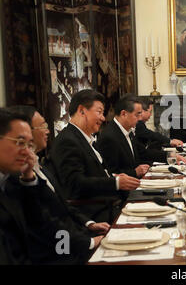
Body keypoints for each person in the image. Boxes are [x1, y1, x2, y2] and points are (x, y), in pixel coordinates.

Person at [8, 105, 109, 263]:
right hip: (59, 251)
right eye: (42, 126)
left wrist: (88, 223)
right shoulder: (14, 178)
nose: (47, 131)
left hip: (71, 239)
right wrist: (87, 243)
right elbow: (43, 226)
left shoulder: (37, 168)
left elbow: (62, 205)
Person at [0, 109, 84, 264]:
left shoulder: (31, 172)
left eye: (28, 144)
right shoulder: (11, 181)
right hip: (55, 249)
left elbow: (45, 217)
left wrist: (28, 178)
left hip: (65, 242)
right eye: (20, 142)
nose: (26, 151)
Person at [48, 89, 140, 223]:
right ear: (81, 111)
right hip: (94, 214)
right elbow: (75, 184)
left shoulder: (86, 138)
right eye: (99, 112)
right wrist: (115, 183)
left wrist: (114, 177)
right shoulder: (67, 141)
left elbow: (94, 173)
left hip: (108, 206)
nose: (103, 118)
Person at [96, 94, 150, 178]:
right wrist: (135, 172)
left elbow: (143, 153)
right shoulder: (109, 137)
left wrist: (169, 155)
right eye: (137, 114)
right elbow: (111, 173)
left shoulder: (128, 131)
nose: (139, 119)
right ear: (124, 113)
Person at [135, 97, 186, 165]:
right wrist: (170, 142)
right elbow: (151, 135)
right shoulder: (138, 125)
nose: (151, 115)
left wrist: (169, 153)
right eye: (150, 111)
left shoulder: (139, 125)